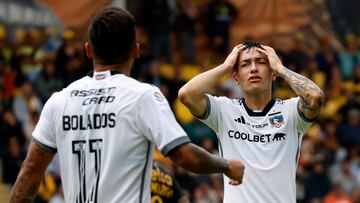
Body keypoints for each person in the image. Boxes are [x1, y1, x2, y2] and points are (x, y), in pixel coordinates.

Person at [9, 6, 245, 203]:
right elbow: (185, 157)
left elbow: (29, 171)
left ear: (88, 51)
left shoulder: (59, 101)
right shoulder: (142, 97)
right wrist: (225, 166)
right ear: (136, 50)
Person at [178, 40, 325, 202]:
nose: (254, 68)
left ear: (273, 73)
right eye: (245, 64)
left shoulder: (291, 112)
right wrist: (225, 67)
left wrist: (281, 69)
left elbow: (315, 97)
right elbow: (186, 94)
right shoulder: (224, 110)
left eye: (261, 62)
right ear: (236, 77)